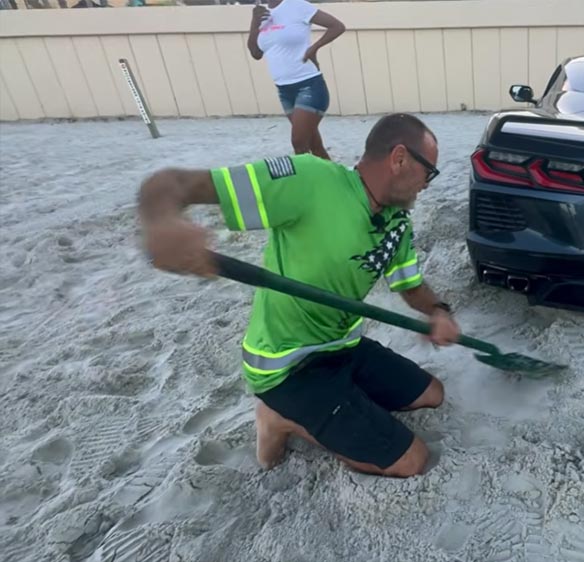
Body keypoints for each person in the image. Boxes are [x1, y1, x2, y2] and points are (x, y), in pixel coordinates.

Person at [138, 113, 458, 478]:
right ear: (399, 158)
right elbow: (170, 184)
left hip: (342, 347)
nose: (427, 186)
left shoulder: (397, 223)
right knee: (412, 461)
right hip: (288, 365)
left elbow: (410, 285)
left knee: (432, 394)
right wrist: (160, 223)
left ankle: (341, 406)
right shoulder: (309, 179)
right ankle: (279, 418)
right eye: (428, 173)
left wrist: (438, 311)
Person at [247, 0, 346, 160]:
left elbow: (337, 26)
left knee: (299, 143)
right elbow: (256, 53)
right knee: (315, 145)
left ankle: (307, 183)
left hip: (309, 86)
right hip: (284, 91)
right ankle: (336, 180)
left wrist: (313, 48)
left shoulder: (297, 6)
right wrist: (254, 24)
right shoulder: (262, 14)